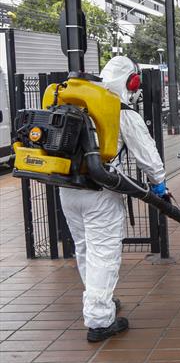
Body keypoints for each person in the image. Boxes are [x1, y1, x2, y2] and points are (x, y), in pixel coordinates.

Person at [60, 56, 167, 342]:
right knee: (103, 253)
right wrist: (159, 185)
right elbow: (147, 156)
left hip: (68, 189)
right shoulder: (118, 109)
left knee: (84, 249)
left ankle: (100, 301)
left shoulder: (75, 101)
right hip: (100, 193)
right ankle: (99, 320)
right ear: (131, 81)